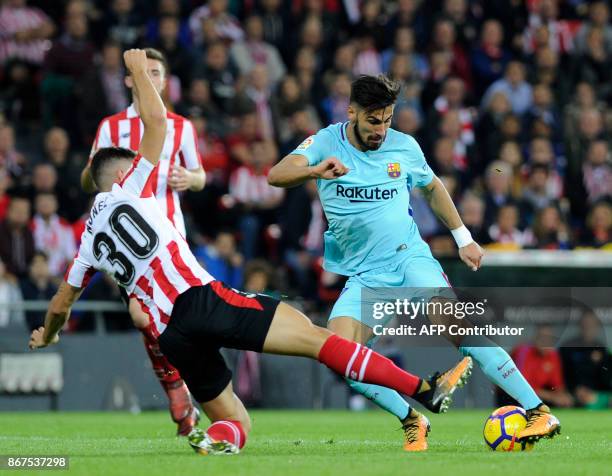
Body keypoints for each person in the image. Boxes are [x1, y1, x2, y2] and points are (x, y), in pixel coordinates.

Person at [28, 49, 471, 456]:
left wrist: (47, 334)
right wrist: (141, 71)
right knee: (322, 340)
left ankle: (217, 437)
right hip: (202, 300)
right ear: (124, 173)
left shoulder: (87, 240)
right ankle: (423, 389)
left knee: (236, 419)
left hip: (171, 337)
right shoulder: (134, 187)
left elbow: (61, 304)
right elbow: (158, 125)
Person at [268, 74, 561, 450]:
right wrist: (314, 170)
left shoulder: (404, 147)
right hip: (364, 274)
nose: (382, 129)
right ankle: (413, 417)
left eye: (388, 119)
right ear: (352, 112)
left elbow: (433, 187)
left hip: (409, 258)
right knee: (341, 356)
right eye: (374, 121)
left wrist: (463, 238)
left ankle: (537, 409)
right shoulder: (325, 142)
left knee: (456, 324)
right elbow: (276, 175)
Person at [80, 47, 206, 436]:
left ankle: (188, 387)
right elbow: (88, 180)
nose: (150, 78)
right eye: (143, 71)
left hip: (171, 236)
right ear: (129, 79)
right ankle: (175, 389)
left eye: (157, 72)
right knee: (142, 317)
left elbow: (200, 175)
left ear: (166, 81)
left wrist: (190, 179)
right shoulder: (110, 127)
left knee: (182, 319)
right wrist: (97, 175)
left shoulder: (182, 127)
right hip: (127, 244)